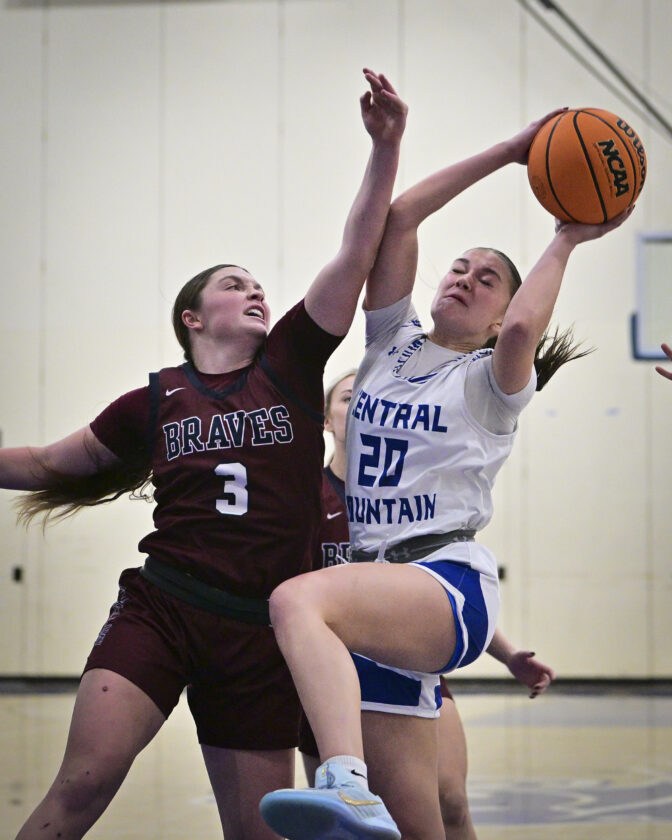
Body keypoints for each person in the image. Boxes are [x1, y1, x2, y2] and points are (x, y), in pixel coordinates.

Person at [2, 69, 407, 840]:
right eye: (233, 284)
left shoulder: (290, 364)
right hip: (165, 608)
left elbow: (357, 251)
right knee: (81, 788)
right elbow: (49, 464)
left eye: (258, 285)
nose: (256, 291)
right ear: (192, 316)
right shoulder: (155, 400)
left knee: (256, 832)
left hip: (260, 629)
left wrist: (386, 145)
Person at [259, 109, 633, 840]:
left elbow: (524, 329)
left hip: (446, 583)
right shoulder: (389, 343)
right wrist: (510, 150)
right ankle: (360, 794)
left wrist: (567, 235)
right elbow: (400, 218)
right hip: (379, 598)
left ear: (499, 318)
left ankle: (342, 779)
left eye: (488, 280)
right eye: (460, 267)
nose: (465, 278)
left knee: (296, 601)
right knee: (421, 825)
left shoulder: (492, 383)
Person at [298, 372, 556, 840]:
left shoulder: (407, 497)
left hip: (408, 660)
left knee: (450, 802)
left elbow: (439, 587)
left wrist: (507, 654)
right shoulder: (307, 499)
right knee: (346, 824)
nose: (360, 407)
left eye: (368, 398)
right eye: (349, 398)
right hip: (335, 678)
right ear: (326, 420)